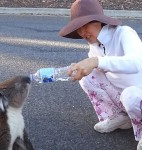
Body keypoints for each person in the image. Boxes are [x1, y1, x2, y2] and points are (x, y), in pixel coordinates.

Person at [59, 0, 142, 149]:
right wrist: (80, 68)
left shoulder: (124, 33)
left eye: (86, 25)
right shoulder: (94, 46)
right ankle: (119, 117)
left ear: (99, 21)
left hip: (137, 92)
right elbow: (95, 68)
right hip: (122, 94)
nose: (83, 32)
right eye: (78, 28)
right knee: (87, 77)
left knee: (131, 96)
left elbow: (136, 63)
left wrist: (96, 61)